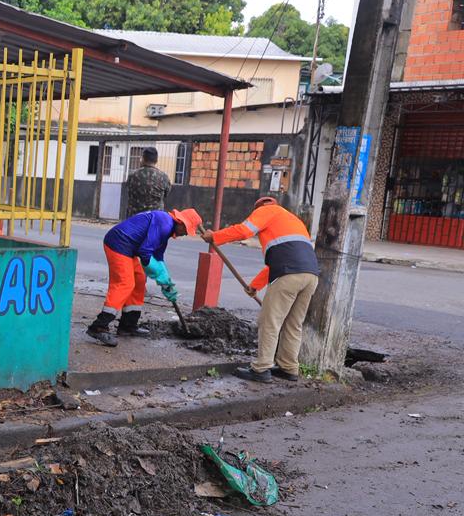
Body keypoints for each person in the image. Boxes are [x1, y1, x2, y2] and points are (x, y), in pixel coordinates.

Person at [201, 196, 320, 383]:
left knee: (270, 321)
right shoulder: (292, 219)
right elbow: (276, 263)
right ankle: (289, 368)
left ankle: (262, 368)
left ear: (258, 207)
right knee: (293, 323)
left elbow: (243, 230)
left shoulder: (266, 211)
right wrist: (255, 286)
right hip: (311, 275)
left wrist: (214, 236)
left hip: (288, 273)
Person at [88, 208, 203, 346]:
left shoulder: (167, 227)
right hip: (118, 243)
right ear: (180, 222)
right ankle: (99, 327)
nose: (184, 234)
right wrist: (160, 277)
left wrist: (167, 282)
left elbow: (158, 257)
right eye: (185, 230)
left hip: (128, 248)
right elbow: (145, 253)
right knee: (125, 283)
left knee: (139, 280)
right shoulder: (165, 223)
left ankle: (128, 326)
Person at [124, 146, 171, 216]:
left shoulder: (132, 175)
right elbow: (166, 194)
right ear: (156, 160)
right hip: (155, 218)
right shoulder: (164, 177)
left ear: (142, 159)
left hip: (135, 218)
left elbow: (129, 191)